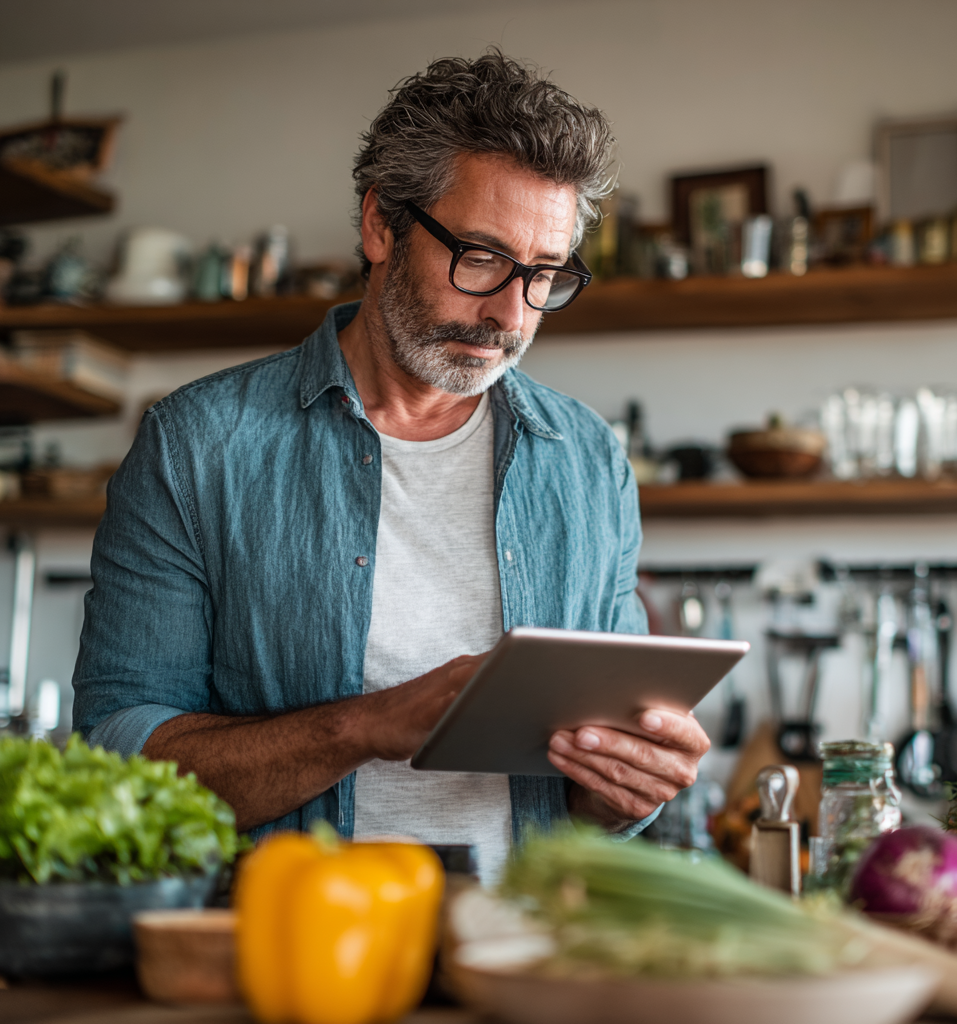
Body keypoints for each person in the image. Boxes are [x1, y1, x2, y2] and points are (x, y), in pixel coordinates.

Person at [73, 51, 708, 885]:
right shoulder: (196, 446)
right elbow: (116, 758)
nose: (509, 315)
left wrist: (626, 790)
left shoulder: (589, 461)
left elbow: (590, 802)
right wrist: (366, 726)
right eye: (480, 258)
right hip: (281, 939)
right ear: (381, 225)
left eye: (544, 275)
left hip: (520, 939)